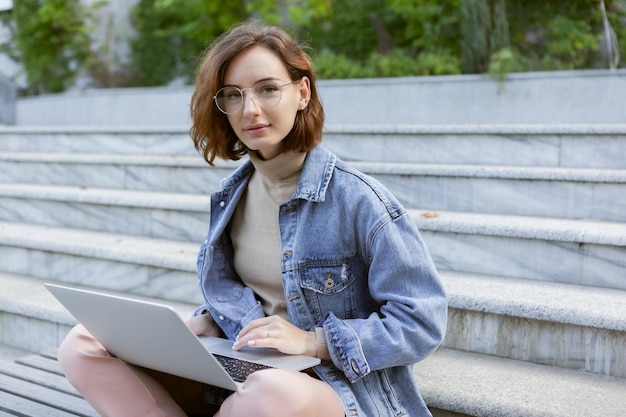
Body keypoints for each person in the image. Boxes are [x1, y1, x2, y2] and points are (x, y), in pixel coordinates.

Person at [58, 20, 447, 417]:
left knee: (268, 392)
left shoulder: (361, 201)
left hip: (331, 389)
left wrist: (314, 342)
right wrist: (207, 323)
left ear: (302, 92)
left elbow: (422, 322)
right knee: (84, 344)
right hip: (247, 370)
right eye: (233, 95)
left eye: (267, 89)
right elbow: (250, 296)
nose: (251, 110)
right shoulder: (231, 196)